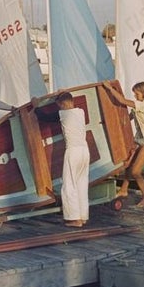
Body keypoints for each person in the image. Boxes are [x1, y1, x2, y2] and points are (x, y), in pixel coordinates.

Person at [103, 80, 144, 208]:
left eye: (136, 93)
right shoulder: (138, 106)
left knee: (136, 171)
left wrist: (110, 89)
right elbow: (128, 118)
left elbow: (123, 101)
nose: (135, 96)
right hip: (138, 139)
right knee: (128, 166)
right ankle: (123, 190)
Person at [55, 91, 90, 227]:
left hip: (73, 151)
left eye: (60, 106)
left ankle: (74, 219)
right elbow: (67, 100)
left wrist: (35, 105)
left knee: (69, 185)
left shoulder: (63, 114)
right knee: (81, 184)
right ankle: (83, 216)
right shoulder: (80, 112)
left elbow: (43, 116)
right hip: (84, 151)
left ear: (62, 104)